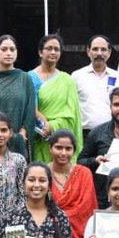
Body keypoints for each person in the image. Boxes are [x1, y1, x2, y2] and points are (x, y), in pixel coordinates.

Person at [31, 33, 84, 162]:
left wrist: (53, 126)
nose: (53, 52)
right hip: (38, 139)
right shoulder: (28, 78)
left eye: (57, 49)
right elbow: (28, 109)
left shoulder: (67, 81)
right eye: (49, 48)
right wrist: (44, 126)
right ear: (40, 52)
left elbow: (72, 115)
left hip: (62, 142)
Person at [45, 128, 98, 238]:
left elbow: (85, 209)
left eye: (68, 148)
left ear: (74, 150)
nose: (63, 153)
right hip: (47, 237)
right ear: (50, 148)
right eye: (58, 147)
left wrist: (58, 217)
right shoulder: (42, 173)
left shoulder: (84, 173)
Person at [72, 34, 118, 143]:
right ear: (88, 51)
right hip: (84, 134)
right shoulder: (77, 76)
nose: (99, 53)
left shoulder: (118, 76)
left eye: (103, 50)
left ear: (109, 52)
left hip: (111, 134)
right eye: (95, 49)